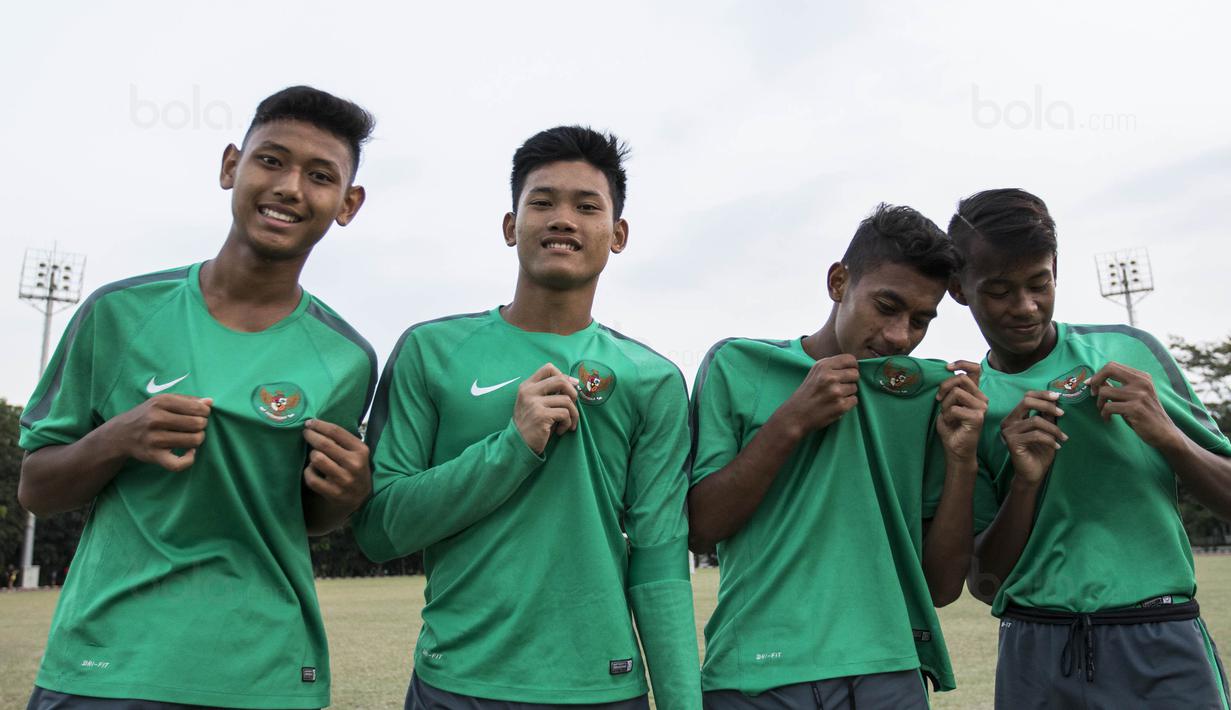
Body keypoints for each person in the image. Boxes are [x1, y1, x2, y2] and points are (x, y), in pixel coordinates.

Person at [18, 85, 377, 709]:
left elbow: (306, 515)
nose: (291, 187)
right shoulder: (118, 313)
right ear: (231, 165)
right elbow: (37, 488)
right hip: (106, 666)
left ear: (348, 204)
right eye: (271, 160)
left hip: (263, 675)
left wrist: (345, 495)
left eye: (320, 176)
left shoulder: (348, 358)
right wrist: (118, 438)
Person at [352, 126, 701, 709]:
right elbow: (380, 529)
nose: (563, 218)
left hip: (603, 689)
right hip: (457, 683)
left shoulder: (654, 378)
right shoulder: (431, 352)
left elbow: (660, 558)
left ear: (617, 235)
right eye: (542, 201)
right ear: (512, 226)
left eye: (586, 206)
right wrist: (511, 447)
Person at [688, 204, 986, 708]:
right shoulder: (739, 365)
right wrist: (792, 421)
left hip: (890, 672)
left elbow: (939, 588)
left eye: (920, 320)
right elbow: (700, 528)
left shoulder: (923, 399)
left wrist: (962, 460)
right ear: (838, 281)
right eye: (886, 307)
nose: (899, 336)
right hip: (760, 671)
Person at [950, 187, 1231, 709]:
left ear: (1057, 269)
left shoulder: (1129, 351)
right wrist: (1026, 484)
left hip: (1161, 634)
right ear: (958, 287)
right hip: (1035, 648)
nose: (1025, 307)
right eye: (999, 291)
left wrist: (1166, 435)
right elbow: (986, 583)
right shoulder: (968, 406)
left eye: (1040, 283)